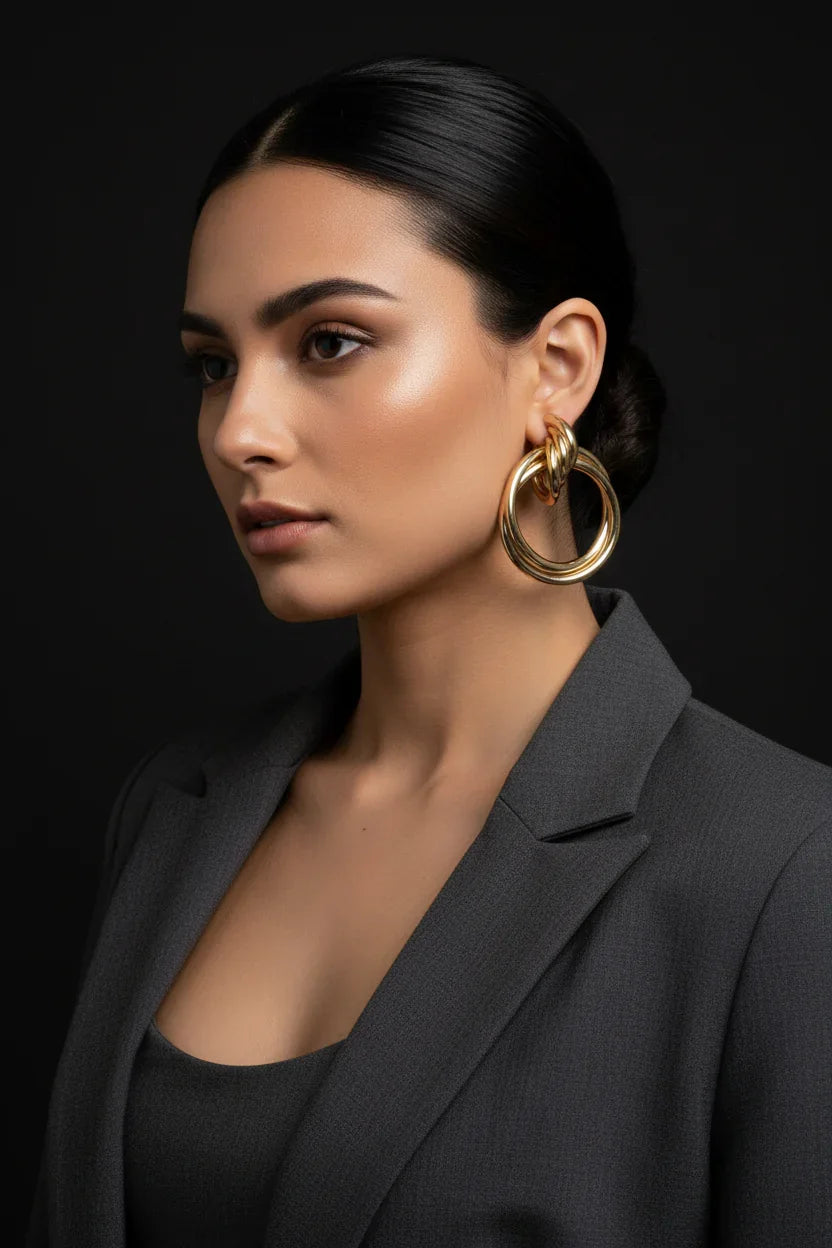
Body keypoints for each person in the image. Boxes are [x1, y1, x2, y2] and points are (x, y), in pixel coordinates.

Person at [27, 53, 831, 1248]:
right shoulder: (175, 807)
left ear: (555, 368)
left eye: (331, 341)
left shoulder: (784, 873)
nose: (239, 430)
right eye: (212, 364)